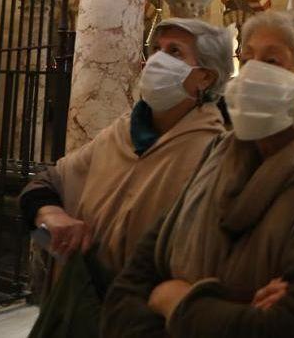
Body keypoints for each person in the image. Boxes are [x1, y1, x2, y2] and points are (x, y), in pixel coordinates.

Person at [101, 10, 294, 338]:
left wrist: (177, 302)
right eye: (247, 60)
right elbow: (125, 294)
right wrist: (237, 308)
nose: (250, 74)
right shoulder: (215, 159)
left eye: (273, 62)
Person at [19, 18, 231, 334]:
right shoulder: (121, 133)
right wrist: (52, 214)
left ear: (205, 77)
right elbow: (48, 182)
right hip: (79, 308)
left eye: (174, 52)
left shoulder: (216, 150)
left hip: (146, 324)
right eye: (156, 49)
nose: (157, 60)